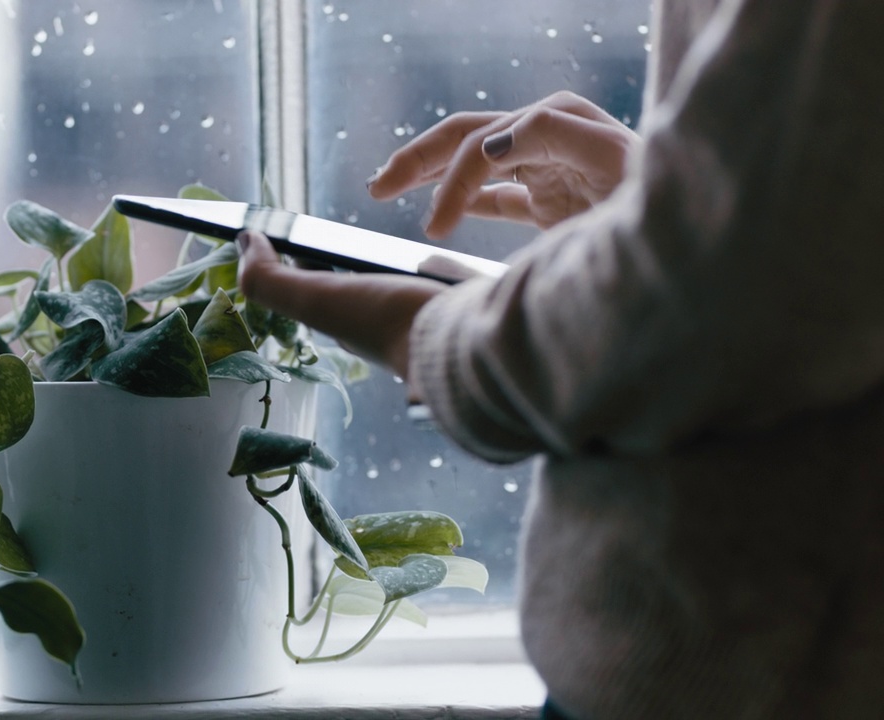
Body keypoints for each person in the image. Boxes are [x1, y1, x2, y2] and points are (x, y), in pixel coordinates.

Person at [236, 0, 884, 718]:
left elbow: (732, 299)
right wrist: (665, 210)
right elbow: (807, 246)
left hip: (756, 677)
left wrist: (434, 342)